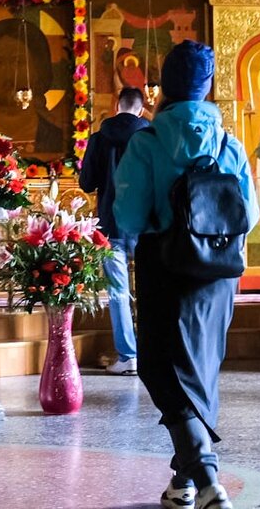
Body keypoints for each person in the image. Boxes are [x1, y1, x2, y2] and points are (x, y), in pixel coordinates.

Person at [114, 41, 259, 509]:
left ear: (165, 84)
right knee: (199, 373)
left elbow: (130, 216)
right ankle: (185, 484)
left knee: (162, 369)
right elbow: (250, 215)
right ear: (207, 86)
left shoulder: (148, 141)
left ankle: (208, 475)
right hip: (220, 273)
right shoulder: (228, 142)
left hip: (165, 267)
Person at [79, 86, 150, 374]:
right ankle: (153, 355)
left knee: (119, 291)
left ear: (116, 106)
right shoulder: (151, 138)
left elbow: (86, 183)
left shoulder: (99, 138)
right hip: (147, 224)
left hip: (111, 222)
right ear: (141, 110)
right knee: (151, 289)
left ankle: (128, 356)